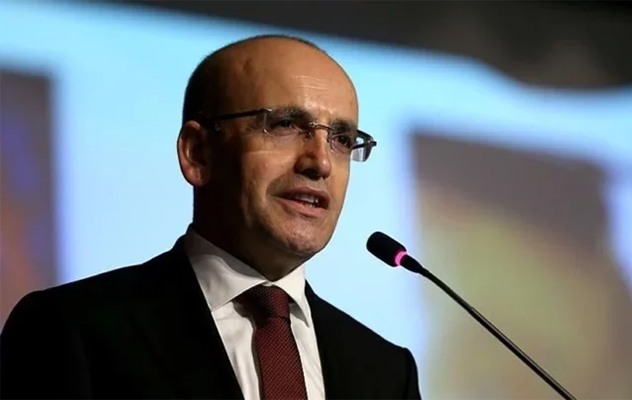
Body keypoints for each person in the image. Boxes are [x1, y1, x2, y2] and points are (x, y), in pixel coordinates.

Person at [0, 35, 421, 400]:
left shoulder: (385, 371)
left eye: (342, 139)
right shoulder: (72, 330)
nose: (321, 162)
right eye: (286, 125)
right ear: (197, 153)